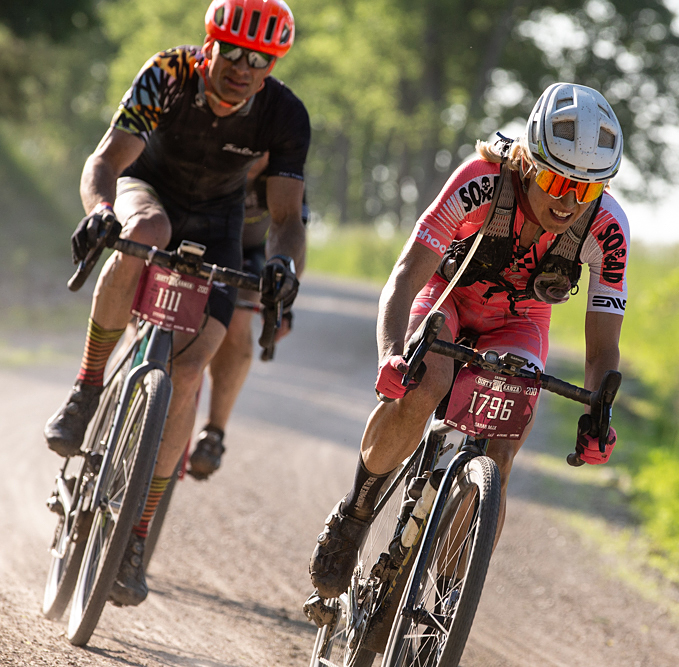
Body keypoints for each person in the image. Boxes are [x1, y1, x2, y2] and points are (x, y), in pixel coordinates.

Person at [308, 82, 629, 599]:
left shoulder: (609, 227)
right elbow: (407, 275)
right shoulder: (480, 181)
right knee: (424, 385)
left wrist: (597, 414)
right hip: (448, 297)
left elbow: (602, 349)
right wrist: (391, 353)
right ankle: (355, 514)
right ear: (528, 161)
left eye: (587, 189)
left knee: (502, 449)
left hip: (521, 321)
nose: (570, 201)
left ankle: (447, 602)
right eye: (555, 180)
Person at [43, 0, 309, 608]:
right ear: (208, 45)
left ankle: (136, 536)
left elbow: (289, 218)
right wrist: (100, 212)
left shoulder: (285, 115)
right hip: (149, 191)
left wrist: (283, 267)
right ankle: (87, 388)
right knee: (146, 234)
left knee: (189, 371)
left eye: (260, 59)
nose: (243, 68)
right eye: (233, 52)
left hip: (219, 219)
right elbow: (106, 161)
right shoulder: (167, 72)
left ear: (273, 65)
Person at [187, 153, 308, 480]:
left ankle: (214, 431)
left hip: (249, 253)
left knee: (239, 319)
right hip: (198, 235)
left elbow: (295, 241)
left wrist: (283, 306)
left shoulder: (286, 171)